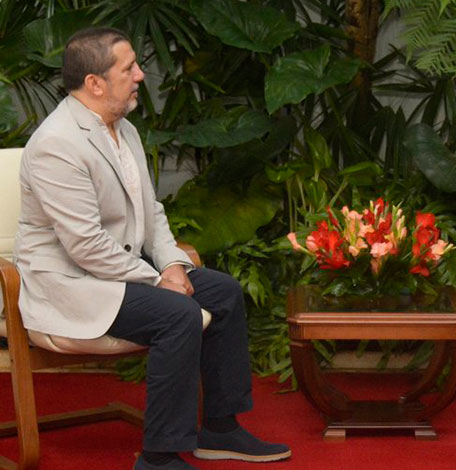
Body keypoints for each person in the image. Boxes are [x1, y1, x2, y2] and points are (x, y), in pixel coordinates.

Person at [13, 27, 290, 470]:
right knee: (178, 314)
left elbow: (151, 214)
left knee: (222, 292)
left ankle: (220, 429)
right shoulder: (57, 145)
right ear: (95, 83)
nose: (141, 74)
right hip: (70, 285)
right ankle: (159, 458)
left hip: (115, 273)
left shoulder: (123, 130)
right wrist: (159, 279)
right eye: (129, 68)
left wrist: (174, 264)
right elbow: (85, 246)